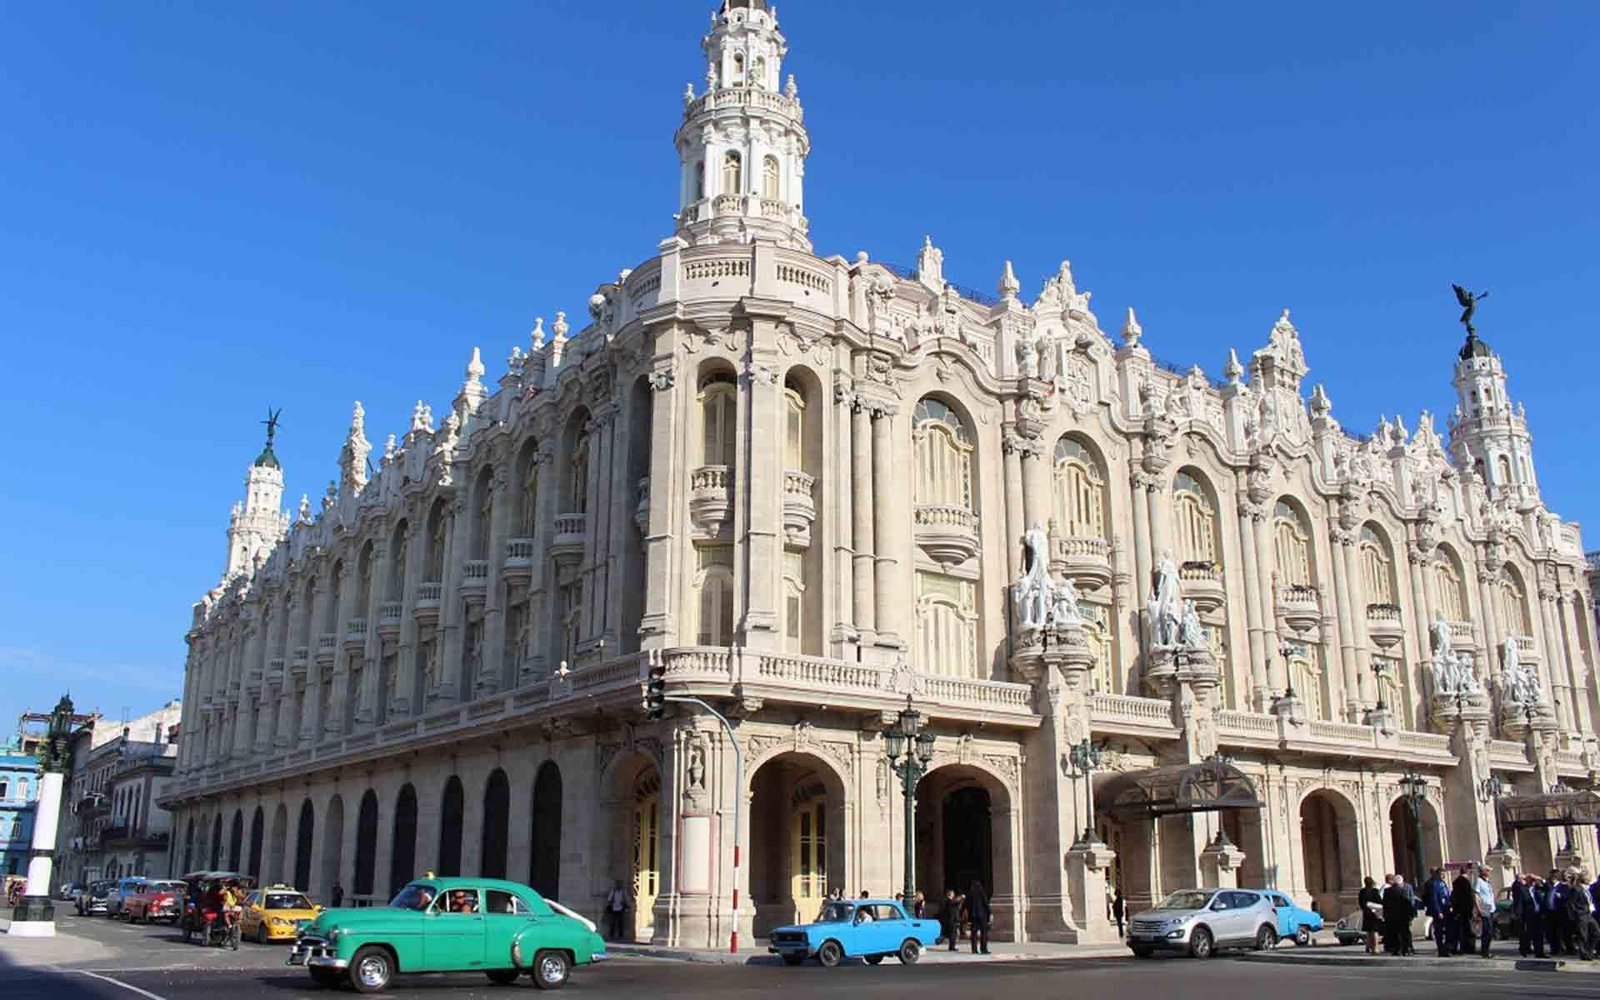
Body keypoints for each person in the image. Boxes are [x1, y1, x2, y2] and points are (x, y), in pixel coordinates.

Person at [1422, 867, 1453, 956]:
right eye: (1441, 874)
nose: (1443, 876)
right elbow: (1434, 899)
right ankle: (1441, 949)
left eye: (1444, 874)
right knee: (1439, 930)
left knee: (1449, 930)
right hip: (1439, 910)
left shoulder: (1443, 883)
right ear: (1437, 874)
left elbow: (1446, 895)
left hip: (1446, 909)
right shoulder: (1433, 884)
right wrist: (1438, 911)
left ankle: (1447, 948)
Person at [1514, 873, 1546, 959]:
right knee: (1527, 934)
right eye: (1531, 880)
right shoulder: (1522, 889)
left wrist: (1539, 878)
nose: (1533, 882)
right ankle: (1524, 951)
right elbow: (1519, 903)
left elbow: (1546, 886)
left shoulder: (1538, 889)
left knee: (1539, 935)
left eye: (1534, 880)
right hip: (1528, 915)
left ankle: (1539, 953)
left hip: (1538, 915)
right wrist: (1519, 916)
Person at [1383, 875, 1415, 956]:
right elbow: (1406, 903)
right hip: (1402, 916)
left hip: (1391, 916)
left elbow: (1385, 904)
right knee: (1403, 933)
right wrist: (1411, 914)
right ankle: (1404, 949)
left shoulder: (1387, 891)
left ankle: (1395, 950)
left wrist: (1385, 914)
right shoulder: (1403, 891)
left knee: (1393, 933)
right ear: (1400, 883)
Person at [1450, 866, 1476, 958]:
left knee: (1460, 930)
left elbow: (1454, 897)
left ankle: (1461, 948)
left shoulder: (1455, 882)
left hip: (1458, 910)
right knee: (1467, 929)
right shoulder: (1466, 882)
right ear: (1466, 872)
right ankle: (1468, 948)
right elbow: (1469, 897)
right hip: (1466, 910)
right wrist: (1472, 909)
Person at [1470, 866, 1496, 957]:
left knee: (1490, 931)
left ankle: (1486, 950)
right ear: (1483, 871)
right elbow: (1476, 895)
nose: (1489, 872)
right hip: (1484, 909)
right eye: (1488, 870)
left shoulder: (1487, 882)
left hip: (1490, 909)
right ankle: (1485, 951)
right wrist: (1478, 908)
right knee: (1487, 931)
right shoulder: (1478, 881)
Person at [965, 880, 992, 955]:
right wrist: (989, 913)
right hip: (982, 916)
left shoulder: (970, 894)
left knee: (974, 933)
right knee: (983, 933)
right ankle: (983, 949)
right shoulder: (982, 892)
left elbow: (967, 905)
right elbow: (986, 904)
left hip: (973, 916)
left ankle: (974, 949)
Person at [1358, 877, 1383, 955]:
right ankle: (1375, 948)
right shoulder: (1375, 891)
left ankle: (1368, 947)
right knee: (1374, 931)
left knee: (1368, 931)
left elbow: (1360, 902)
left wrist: (1365, 909)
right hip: (1374, 913)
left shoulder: (1362, 891)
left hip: (1366, 913)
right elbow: (1379, 901)